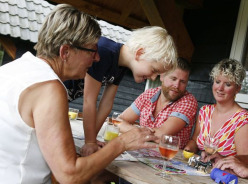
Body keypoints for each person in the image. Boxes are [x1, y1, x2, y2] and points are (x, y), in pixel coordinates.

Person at [0, 4, 157, 184]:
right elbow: (70, 177)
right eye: (92, 51)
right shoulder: (49, 87)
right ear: (65, 52)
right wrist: (123, 143)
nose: (97, 58)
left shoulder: (12, 70)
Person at [64, 26, 178, 156]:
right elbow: (89, 101)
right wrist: (90, 142)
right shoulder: (104, 52)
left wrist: (91, 140)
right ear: (139, 53)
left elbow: (106, 104)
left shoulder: (120, 66)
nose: (153, 77)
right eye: (154, 70)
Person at [184, 58, 248, 163]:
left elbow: (247, 162)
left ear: (237, 88)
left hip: (225, 177)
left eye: (227, 84)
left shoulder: (243, 121)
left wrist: (222, 160)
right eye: (217, 82)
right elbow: (194, 141)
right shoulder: (205, 111)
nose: (220, 88)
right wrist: (189, 149)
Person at [119, 57, 198, 149]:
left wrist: (133, 130)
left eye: (182, 82)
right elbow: (119, 121)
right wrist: (136, 130)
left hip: (168, 158)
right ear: (162, 76)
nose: (177, 85)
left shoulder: (188, 101)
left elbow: (161, 135)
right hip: (141, 152)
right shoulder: (149, 94)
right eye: (173, 79)